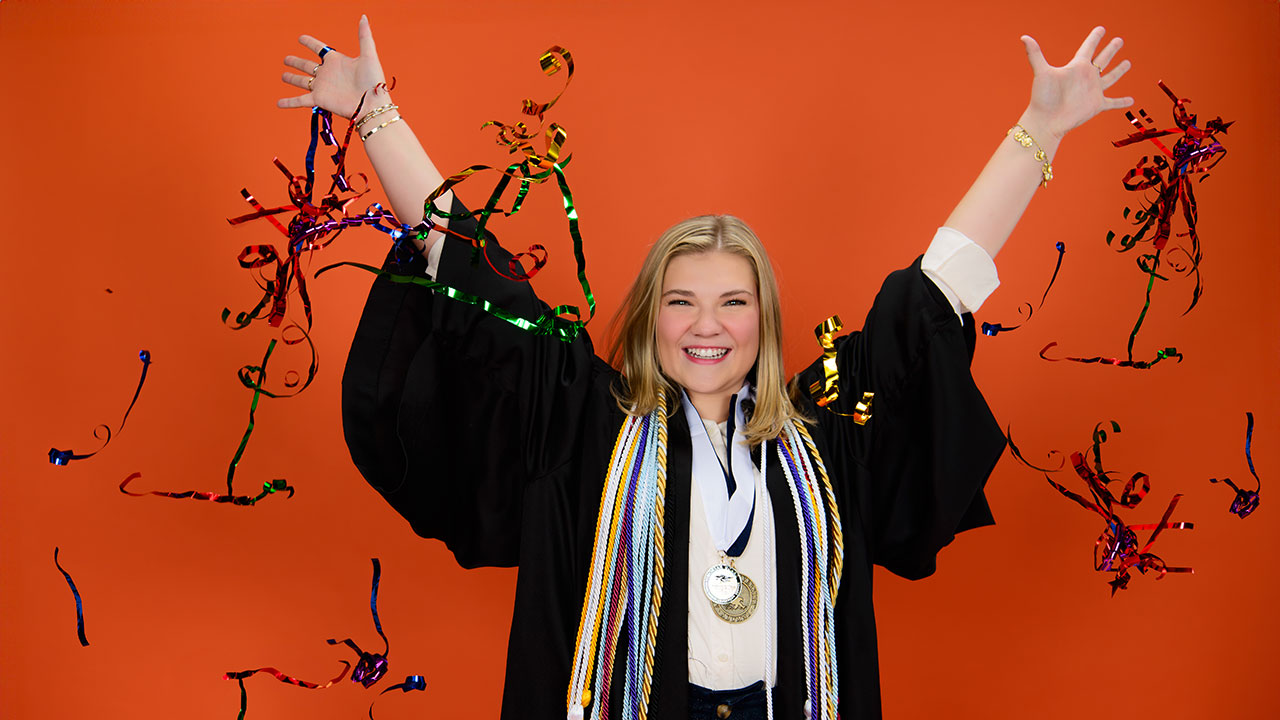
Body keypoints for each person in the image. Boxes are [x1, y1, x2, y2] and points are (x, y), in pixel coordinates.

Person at [278, 16, 1133, 720]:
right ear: (650, 317)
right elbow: (466, 264)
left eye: (734, 301)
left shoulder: (829, 432)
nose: (707, 327)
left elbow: (936, 291)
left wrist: (1039, 133)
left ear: (765, 320)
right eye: (682, 301)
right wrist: (374, 111)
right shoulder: (579, 420)